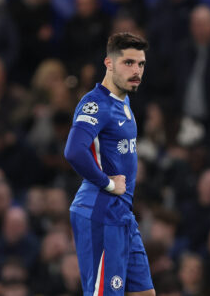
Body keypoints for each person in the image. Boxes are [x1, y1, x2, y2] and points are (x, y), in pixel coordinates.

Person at [64, 32, 155, 295]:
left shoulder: (123, 100)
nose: (136, 71)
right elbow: (74, 151)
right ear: (109, 63)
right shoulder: (96, 103)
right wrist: (108, 183)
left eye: (141, 64)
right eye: (128, 63)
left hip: (122, 214)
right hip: (100, 213)